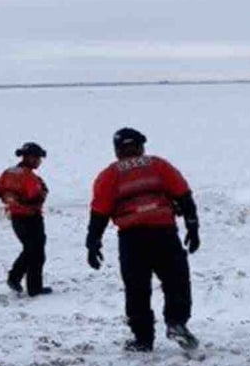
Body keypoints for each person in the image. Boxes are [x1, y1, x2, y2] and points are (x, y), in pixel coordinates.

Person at [85, 128, 201, 353]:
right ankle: (176, 322)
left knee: (137, 288)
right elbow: (183, 195)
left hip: (132, 239)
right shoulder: (158, 165)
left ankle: (143, 339)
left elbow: (99, 211)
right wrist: (193, 226)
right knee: (176, 280)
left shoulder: (110, 175)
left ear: (117, 150)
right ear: (141, 147)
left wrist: (93, 242)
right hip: (164, 233)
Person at [0, 142, 52, 297]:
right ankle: (33, 287)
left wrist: (11, 199)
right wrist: (43, 191)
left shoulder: (8, 172)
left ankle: (15, 278)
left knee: (30, 249)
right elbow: (36, 198)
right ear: (30, 158)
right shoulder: (30, 177)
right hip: (31, 218)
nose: (39, 161)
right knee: (37, 252)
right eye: (38, 158)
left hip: (16, 218)